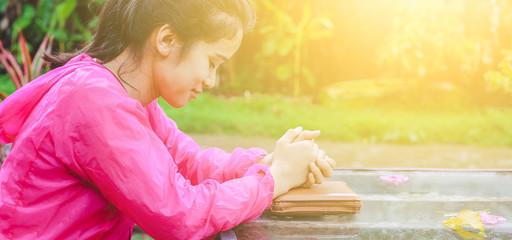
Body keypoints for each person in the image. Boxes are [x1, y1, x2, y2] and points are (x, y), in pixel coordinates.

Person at [0, 0, 335, 239]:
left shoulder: (125, 96)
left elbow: (188, 163)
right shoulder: (96, 103)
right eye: (212, 61)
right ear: (166, 40)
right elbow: (179, 215)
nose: (211, 80)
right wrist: (272, 180)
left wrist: (268, 162)